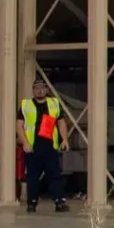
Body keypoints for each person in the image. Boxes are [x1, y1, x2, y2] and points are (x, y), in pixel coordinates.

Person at [19, 84, 70, 212]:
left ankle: (59, 202)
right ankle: (32, 203)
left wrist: (64, 139)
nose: (40, 91)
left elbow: (61, 122)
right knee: (32, 177)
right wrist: (25, 143)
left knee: (55, 175)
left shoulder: (54, 103)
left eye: (42, 88)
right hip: (33, 147)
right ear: (33, 90)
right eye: (36, 88)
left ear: (47, 90)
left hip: (50, 147)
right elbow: (19, 125)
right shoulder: (26, 105)